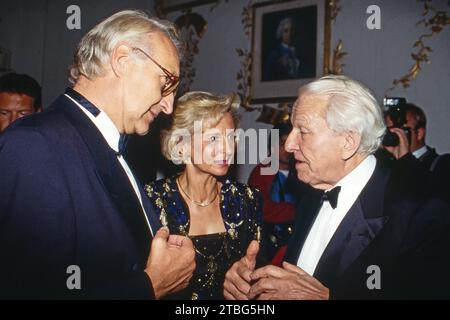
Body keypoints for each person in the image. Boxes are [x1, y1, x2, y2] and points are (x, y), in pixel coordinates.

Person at [0, 10, 195, 299]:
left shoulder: (107, 145)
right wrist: (151, 286)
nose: (168, 106)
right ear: (122, 61)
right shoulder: (34, 144)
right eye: (166, 83)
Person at [224, 75, 450, 300]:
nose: (290, 145)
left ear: (348, 142)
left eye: (303, 131)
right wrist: (252, 283)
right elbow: (293, 282)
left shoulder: (422, 215)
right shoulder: (311, 196)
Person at [146, 91, 263, 300]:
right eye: (214, 138)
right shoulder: (152, 200)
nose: (227, 149)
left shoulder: (247, 199)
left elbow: (257, 278)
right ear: (181, 145)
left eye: (230, 137)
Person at [248, 122, 298, 265]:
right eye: (282, 143)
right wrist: (297, 211)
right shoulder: (261, 172)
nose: (288, 149)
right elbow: (262, 210)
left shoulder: (302, 172)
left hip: (293, 245)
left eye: (291, 143)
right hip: (268, 248)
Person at [380, 103, 450, 199]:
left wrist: (405, 158)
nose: (396, 135)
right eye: (390, 131)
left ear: (419, 133)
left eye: (402, 130)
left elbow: (430, 197)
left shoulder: (442, 164)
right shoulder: (382, 164)